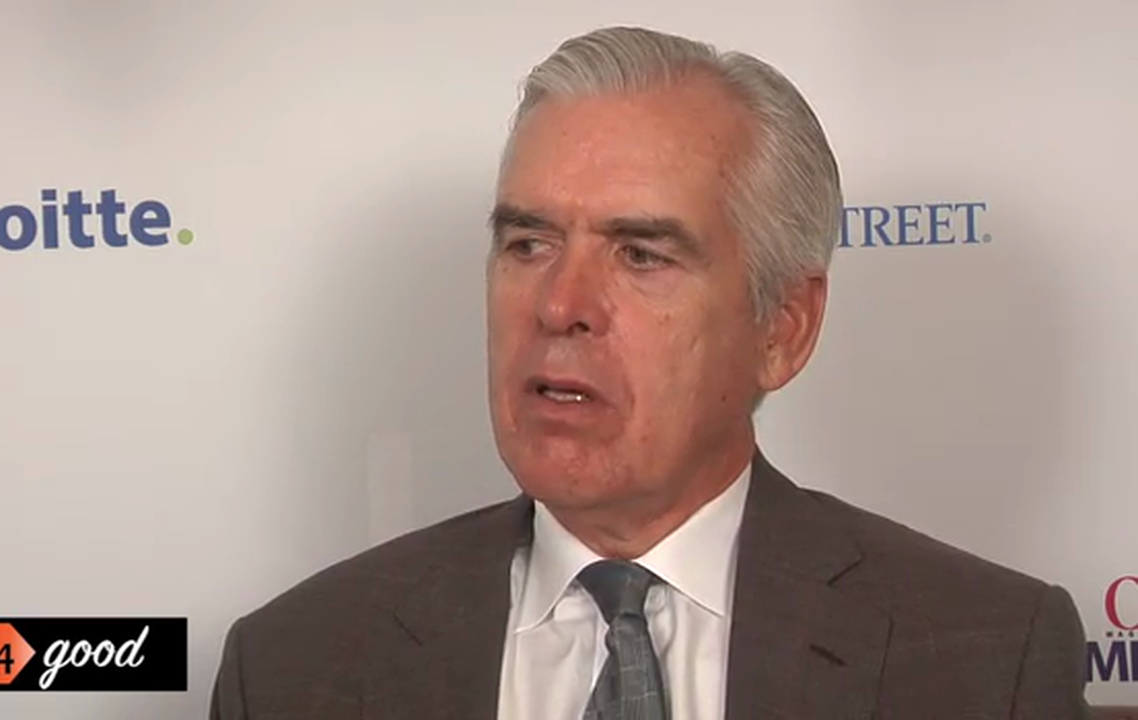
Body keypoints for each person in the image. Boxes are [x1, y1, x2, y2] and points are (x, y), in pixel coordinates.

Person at [209, 26, 1090, 719]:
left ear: (783, 328)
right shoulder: (295, 667)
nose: (560, 305)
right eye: (529, 243)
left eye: (640, 255)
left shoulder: (986, 661)